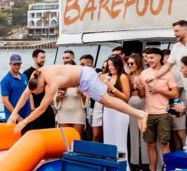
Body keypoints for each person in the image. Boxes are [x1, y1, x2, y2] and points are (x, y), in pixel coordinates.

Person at [8, 64, 147, 135]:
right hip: (82, 78)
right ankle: (138, 114)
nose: (37, 94)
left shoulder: (52, 83)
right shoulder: (36, 75)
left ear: (40, 86)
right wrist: (14, 112)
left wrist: (24, 121)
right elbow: (25, 94)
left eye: (37, 92)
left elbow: (41, 109)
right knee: (108, 103)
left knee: (108, 101)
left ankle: (140, 114)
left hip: (85, 78)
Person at [136, 47, 178, 171]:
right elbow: (142, 95)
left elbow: (175, 94)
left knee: (165, 144)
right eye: (147, 58)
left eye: (151, 57)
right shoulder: (144, 73)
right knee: (150, 144)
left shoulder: (168, 74)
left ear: (160, 58)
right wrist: (139, 87)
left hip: (163, 113)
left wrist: (158, 89)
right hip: (148, 113)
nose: (149, 60)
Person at [101, 55, 131, 158]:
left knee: (120, 140)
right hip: (108, 110)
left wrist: (112, 89)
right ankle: (110, 164)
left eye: (113, 65)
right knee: (108, 139)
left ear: (118, 65)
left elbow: (126, 97)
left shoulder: (123, 77)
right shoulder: (105, 76)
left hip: (120, 110)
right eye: (109, 65)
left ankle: (123, 167)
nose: (110, 67)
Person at [24, 49, 55, 130]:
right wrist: (32, 108)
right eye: (41, 58)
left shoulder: (46, 72)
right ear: (34, 58)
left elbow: (50, 88)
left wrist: (53, 106)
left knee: (50, 131)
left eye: (44, 57)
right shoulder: (27, 73)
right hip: (35, 108)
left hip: (46, 107)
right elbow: (28, 93)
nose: (43, 60)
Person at [126, 53, 148, 170]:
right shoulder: (128, 77)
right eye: (128, 63)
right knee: (133, 133)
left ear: (138, 63)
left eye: (132, 63)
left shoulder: (144, 75)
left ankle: (145, 161)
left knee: (144, 131)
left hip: (143, 103)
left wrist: (139, 87)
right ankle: (135, 161)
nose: (130, 65)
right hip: (131, 105)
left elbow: (143, 94)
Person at [0, 54, 30, 121]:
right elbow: (5, 101)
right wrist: (17, 117)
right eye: (14, 64)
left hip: (26, 115)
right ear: (10, 64)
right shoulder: (5, 80)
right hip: (13, 117)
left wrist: (32, 109)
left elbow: (29, 93)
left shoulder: (24, 77)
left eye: (18, 64)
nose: (17, 66)